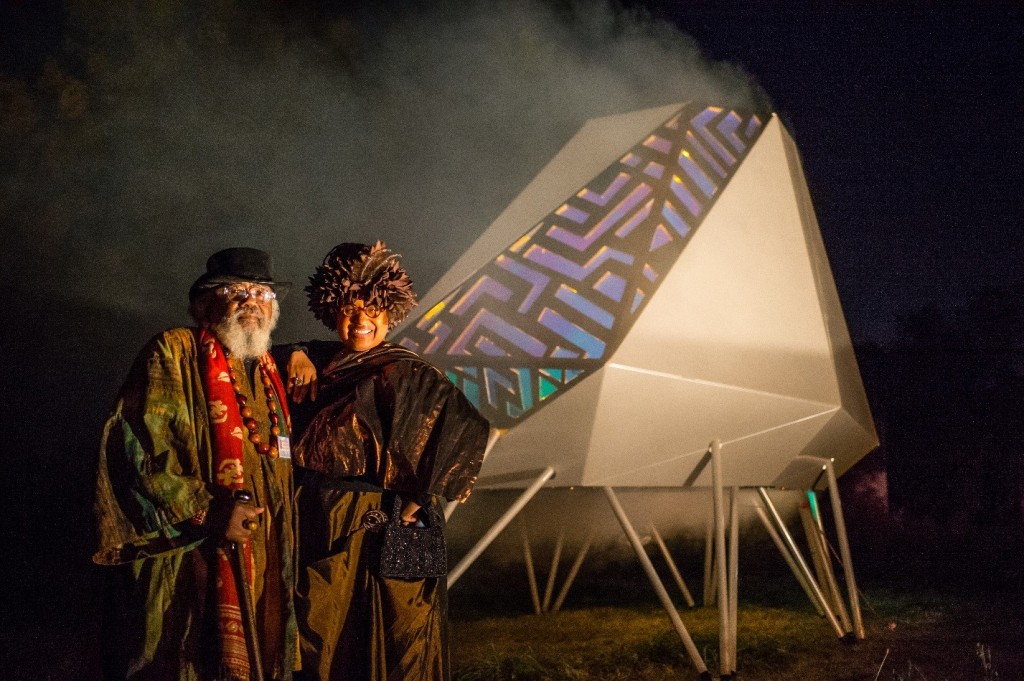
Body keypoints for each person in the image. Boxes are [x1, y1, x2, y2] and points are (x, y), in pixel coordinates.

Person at [93, 247, 301, 681]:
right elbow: (137, 450)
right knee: (183, 660)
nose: (250, 302)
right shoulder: (173, 351)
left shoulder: (269, 371)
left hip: (263, 553)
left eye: (261, 293)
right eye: (234, 291)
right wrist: (209, 510)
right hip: (189, 550)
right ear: (205, 304)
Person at [290, 241, 489, 681]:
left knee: (379, 632)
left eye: (373, 309)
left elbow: (464, 428)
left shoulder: (404, 371)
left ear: (389, 312)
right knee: (317, 629)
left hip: (371, 521)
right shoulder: (321, 359)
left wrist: (414, 504)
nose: (360, 320)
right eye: (349, 309)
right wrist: (296, 352)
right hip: (314, 520)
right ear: (332, 310)